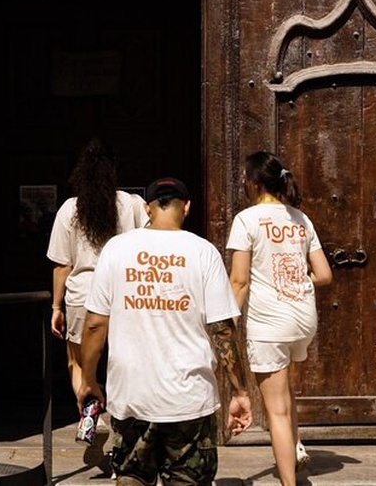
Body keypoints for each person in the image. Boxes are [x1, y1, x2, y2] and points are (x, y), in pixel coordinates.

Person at [76, 177, 253, 486]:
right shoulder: (203, 251)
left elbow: (94, 324)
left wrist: (89, 380)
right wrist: (239, 391)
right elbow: (222, 330)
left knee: (131, 477)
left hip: (131, 395)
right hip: (188, 399)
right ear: (187, 207)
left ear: (147, 208)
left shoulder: (116, 249)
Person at [226, 151, 333, 486]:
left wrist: (227, 321)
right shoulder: (301, 219)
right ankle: (295, 447)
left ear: (255, 183)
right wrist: (295, 282)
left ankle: (289, 483)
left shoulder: (247, 220)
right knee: (285, 391)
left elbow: (239, 280)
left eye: (244, 179)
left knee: (276, 410)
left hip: (270, 321)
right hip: (302, 317)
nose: (243, 184)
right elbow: (325, 274)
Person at [46, 137, 149, 463]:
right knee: (124, 363)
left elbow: (63, 264)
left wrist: (56, 307)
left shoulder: (69, 210)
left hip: (82, 295)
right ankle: (126, 428)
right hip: (123, 295)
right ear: (113, 170)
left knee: (77, 362)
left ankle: (90, 412)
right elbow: (148, 245)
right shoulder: (131, 204)